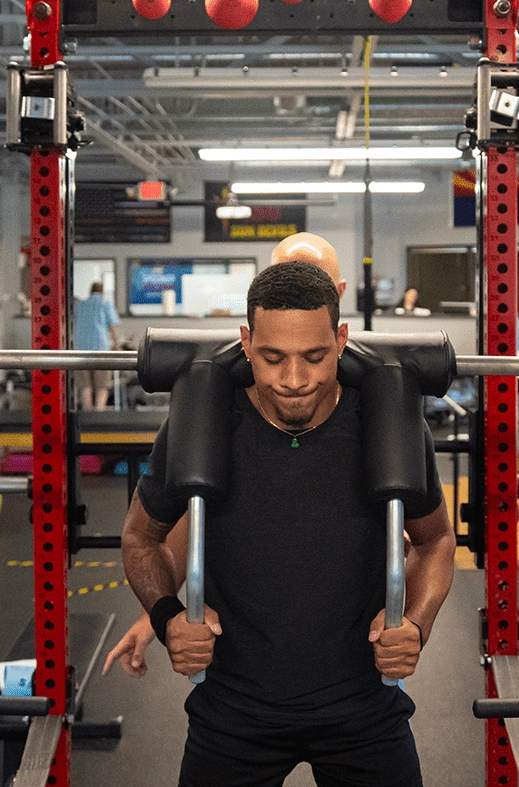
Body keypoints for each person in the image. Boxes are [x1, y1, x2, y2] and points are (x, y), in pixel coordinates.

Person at [120, 262, 455, 786]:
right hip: (232, 715)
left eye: (314, 357)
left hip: (364, 713)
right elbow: (142, 537)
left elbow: (435, 542)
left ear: (341, 341)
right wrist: (165, 617)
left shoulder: (385, 424)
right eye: (273, 358)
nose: (294, 380)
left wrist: (416, 624)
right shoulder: (203, 425)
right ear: (246, 343)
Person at [105, 233, 353, 677]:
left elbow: (422, 536)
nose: (294, 378)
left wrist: (407, 616)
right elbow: (193, 509)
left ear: (338, 295)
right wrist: (159, 614)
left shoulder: (375, 392)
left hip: (350, 663)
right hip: (239, 674)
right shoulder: (220, 393)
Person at [73, 281, 121, 410]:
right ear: (102, 292)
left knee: (85, 386)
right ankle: (98, 414)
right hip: (101, 351)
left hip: (80, 351)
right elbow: (113, 327)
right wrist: (117, 345)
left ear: (90, 291)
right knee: (102, 387)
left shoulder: (80, 305)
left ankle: (88, 414)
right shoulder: (105, 304)